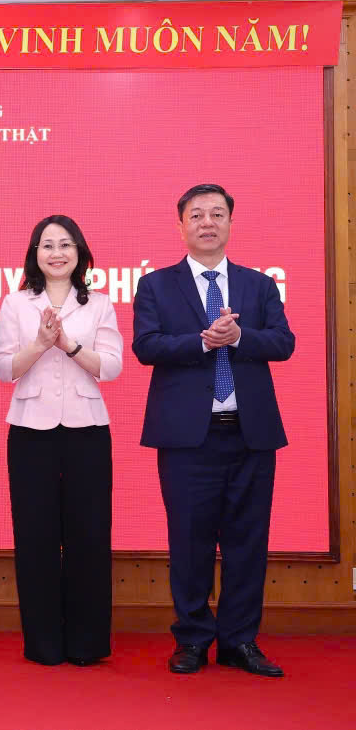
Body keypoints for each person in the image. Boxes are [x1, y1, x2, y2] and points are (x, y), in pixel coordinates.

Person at [133, 184, 294, 677]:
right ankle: (194, 639)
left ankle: (240, 641)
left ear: (230, 223)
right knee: (189, 541)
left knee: (248, 541)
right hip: (186, 438)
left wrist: (240, 336)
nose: (208, 222)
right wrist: (203, 343)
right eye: (197, 215)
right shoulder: (157, 285)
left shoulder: (258, 285)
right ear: (180, 225)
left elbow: (283, 342)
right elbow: (146, 346)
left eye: (217, 214)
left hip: (249, 434)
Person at [0, 215, 122, 666]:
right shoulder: (15, 303)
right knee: (36, 536)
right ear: (35, 255)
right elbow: (4, 368)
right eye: (47, 245)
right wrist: (41, 343)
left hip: (87, 428)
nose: (57, 253)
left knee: (88, 534)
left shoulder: (100, 304)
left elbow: (111, 367)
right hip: (30, 430)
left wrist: (66, 344)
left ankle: (87, 644)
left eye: (65, 244)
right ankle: (43, 643)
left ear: (80, 253)